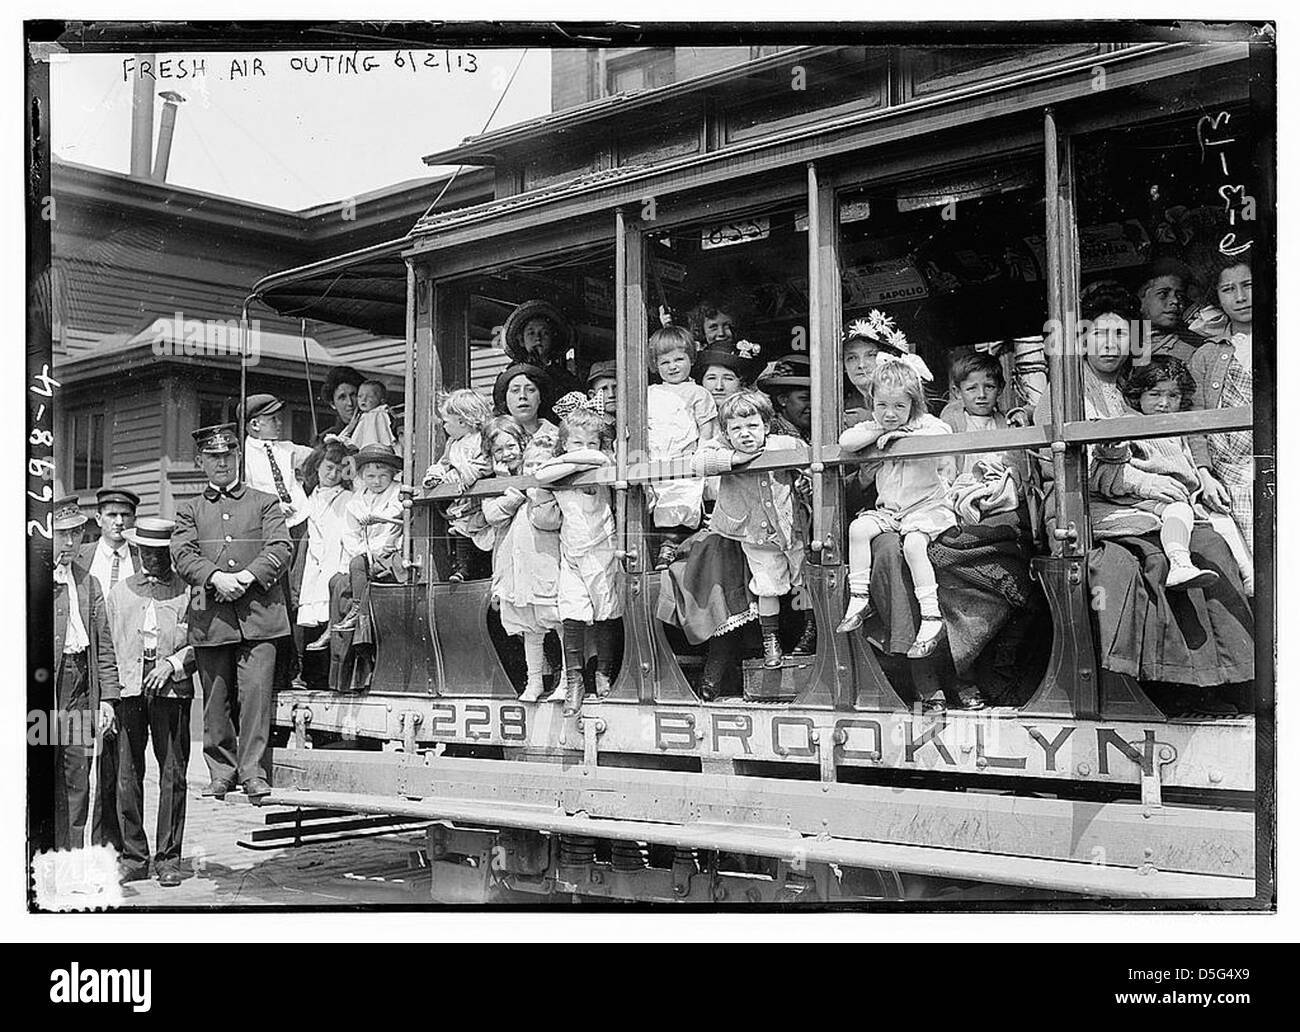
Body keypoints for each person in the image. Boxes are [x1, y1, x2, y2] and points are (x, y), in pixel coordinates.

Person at [1034, 281, 1252, 711]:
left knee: (1208, 544)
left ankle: (1226, 677)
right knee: (1140, 562)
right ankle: (1165, 687)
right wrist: (1142, 484)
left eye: (1120, 336)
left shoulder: (1133, 390)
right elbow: (1063, 467)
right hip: (1082, 506)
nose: (1111, 345)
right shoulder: (1063, 394)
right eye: (1100, 335)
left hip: (1141, 505)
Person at [172, 423, 293, 804]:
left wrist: (246, 575)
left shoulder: (264, 501)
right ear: (200, 462)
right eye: (213, 457)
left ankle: (253, 772)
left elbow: (281, 546)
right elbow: (182, 553)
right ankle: (221, 772)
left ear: (238, 457)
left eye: (227, 455)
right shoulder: (189, 509)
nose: (221, 463)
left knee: (256, 696)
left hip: (260, 614)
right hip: (212, 616)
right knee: (215, 699)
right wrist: (215, 578)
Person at [837, 354, 956, 659]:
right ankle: (859, 598)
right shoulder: (874, 425)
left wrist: (905, 434)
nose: (890, 414)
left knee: (915, 545)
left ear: (913, 404)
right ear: (872, 402)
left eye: (899, 407)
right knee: (859, 528)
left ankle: (932, 619)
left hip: (926, 508)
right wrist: (881, 432)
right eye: (882, 406)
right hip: (892, 512)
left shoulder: (926, 424)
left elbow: (944, 435)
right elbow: (847, 440)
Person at [105, 518, 195, 887]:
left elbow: (202, 642)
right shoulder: (121, 593)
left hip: (171, 692)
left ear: (170, 553)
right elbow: (108, 645)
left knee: (173, 774)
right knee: (127, 775)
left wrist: (172, 666)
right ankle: (134, 856)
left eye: (159, 555)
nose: (152, 562)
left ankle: (169, 859)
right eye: (145, 554)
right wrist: (111, 695)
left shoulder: (188, 591)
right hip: (130, 691)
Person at [691, 390, 808, 669]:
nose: (745, 433)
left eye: (753, 426)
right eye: (736, 429)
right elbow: (697, 463)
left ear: (766, 426)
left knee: (805, 582)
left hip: (792, 529)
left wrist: (804, 482)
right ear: (726, 434)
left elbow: (809, 465)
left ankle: (810, 633)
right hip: (755, 535)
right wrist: (733, 459)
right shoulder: (721, 448)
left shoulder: (784, 444)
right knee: (767, 586)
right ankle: (771, 641)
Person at [1123, 356, 1252, 593]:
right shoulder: (1131, 424)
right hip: (1147, 497)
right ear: (1138, 395)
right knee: (1178, 510)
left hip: (1183, 496)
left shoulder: (1178, 426)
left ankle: (1249, 576)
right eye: (1154, 394)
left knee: (1223, 522)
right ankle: (1179, 562)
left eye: (1173, 396)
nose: (1164, 403)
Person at [533, 396, 625, 715]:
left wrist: (582, 459)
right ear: (564, 443)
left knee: (606, 608)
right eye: (577, 442)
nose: (585, 448)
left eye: (592, 442)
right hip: (571, 549)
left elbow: (608, 465)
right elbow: (541, 475)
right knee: (571, 609)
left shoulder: (607, 463)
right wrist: (577, 461)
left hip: (601, 546)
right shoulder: (560, 469)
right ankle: (575, 680)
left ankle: (603, 671)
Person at [51, 496, 121, 851]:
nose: (69, 543)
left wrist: (108, 698)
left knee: (78, 781)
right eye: (61, 535)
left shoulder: (89, 583)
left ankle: (70, 864)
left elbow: (104, 648)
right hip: (46, 697)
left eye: (76, 534)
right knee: (43, 781)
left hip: (80, 694)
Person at [240, 392, 315, 689]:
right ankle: (283, 671)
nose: (279, 422)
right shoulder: (242, 456)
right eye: (272, 418)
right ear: (254, 424)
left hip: (300, 524)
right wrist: (269, 505)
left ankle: (301, 669)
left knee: (301, 596)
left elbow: (320, 456)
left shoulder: (285, 449)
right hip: (272, 531)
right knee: (280, 598)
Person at [484, 435, 565, 703]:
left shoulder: (548, 492)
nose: (533, 471)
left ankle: (566, 680)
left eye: (540, 465)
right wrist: (516, 487)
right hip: (518, 571)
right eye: (529, 465)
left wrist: (536, 490)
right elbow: (493, 516)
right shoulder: (510, 490)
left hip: (544, 565)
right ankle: (534, 681)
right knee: (530, 629)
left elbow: (548, 521)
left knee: (558, 623)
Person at [1188, 254, 1254, 563]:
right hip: (1227, 478)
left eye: (1248, 285)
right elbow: (1194, 421)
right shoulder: (1206, 355)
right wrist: (1205, 474)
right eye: (1228, 289)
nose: (1240, 297)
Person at [647, 325, 717, 569]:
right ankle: (665, 545)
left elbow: (706, 430)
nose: (673, 366)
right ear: (655, 364)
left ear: (691, 358)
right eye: (665, 362)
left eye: (679, 359)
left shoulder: (698, 393)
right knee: (661, 501)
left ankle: (673, 546)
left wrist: (703, 458)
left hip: (686, 457)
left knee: (684, 498)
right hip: (657, 458)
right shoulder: (650, 393)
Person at [939, 350, 1028, 525]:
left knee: (1010, 523)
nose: (981, 394)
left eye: (989, 386)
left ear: (1000, 388)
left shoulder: (1006, 422)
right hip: (963, 492)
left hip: (997, 493)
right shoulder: (951, 423)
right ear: (957, 392)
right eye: (971, 388)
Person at [422, 388, 494, 583]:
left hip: (477, 499)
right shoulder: (453, 444)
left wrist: (466, 476)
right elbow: (444, 463)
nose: (444, 426)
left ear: (462, 422)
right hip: (461, 501)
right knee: (461, 530)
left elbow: (486, 465)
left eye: (446, 422)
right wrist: (435, 475)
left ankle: (481, 569)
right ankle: (463, 569)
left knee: (482, 533)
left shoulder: (481, 440)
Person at [334, 445, 407, 635]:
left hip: (390, 551)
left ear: (392, 475)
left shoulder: (398, 494)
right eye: (370, 477)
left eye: (383, 476)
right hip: (365, 553)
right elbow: (350, 534)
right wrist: (362, 551)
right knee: (339, 580)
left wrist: (375, 519)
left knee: (360, 566)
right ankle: (343, 623)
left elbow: (394, 523)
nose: (376, 481)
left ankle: (359, 612)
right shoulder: (356, 501)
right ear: (361, 477)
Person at [299, 441, 354, 659]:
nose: (333, 474)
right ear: (317, 467)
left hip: (336, 561)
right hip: (313, 564)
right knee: (312, 617)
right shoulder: (308, 497)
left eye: (339, 470)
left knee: (331, 612)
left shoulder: (347, 498)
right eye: (329, 468)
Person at [500, 298, 584, 396]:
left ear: (552, 339)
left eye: (544, 333)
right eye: (531, 333)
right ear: (522, 340)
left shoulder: (564, 377)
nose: (538, 338)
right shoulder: (510, 374)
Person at [1135, 257, 1210, 364]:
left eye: (1180, 296)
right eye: (1163, 294)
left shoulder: (1192, 353)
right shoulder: (1127, 341)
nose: (1175, 300)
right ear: (1140, 299)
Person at [81, 486, 141, 597]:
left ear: (134, 520)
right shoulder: (79, 557)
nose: (119, 522)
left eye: (125, 515)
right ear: (98, 519)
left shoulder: (142, 559)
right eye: (112, 515)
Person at [493, 363, 558, 444]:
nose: (522, 396)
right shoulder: (495, 439)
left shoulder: (557, 437)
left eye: (530, 390)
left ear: (540, 397)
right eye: (515, 390)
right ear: (505, 399)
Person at [756, 354, 813, 440]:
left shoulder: (808, 433)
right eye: (805, 399)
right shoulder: (768, 434)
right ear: (782, 399)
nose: (812, 405)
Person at [331, 379, 396, 451]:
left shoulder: (380, 413)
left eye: (370, 396)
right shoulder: (361, 416)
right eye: (359, 396)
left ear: (382, 400)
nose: (363, 400)